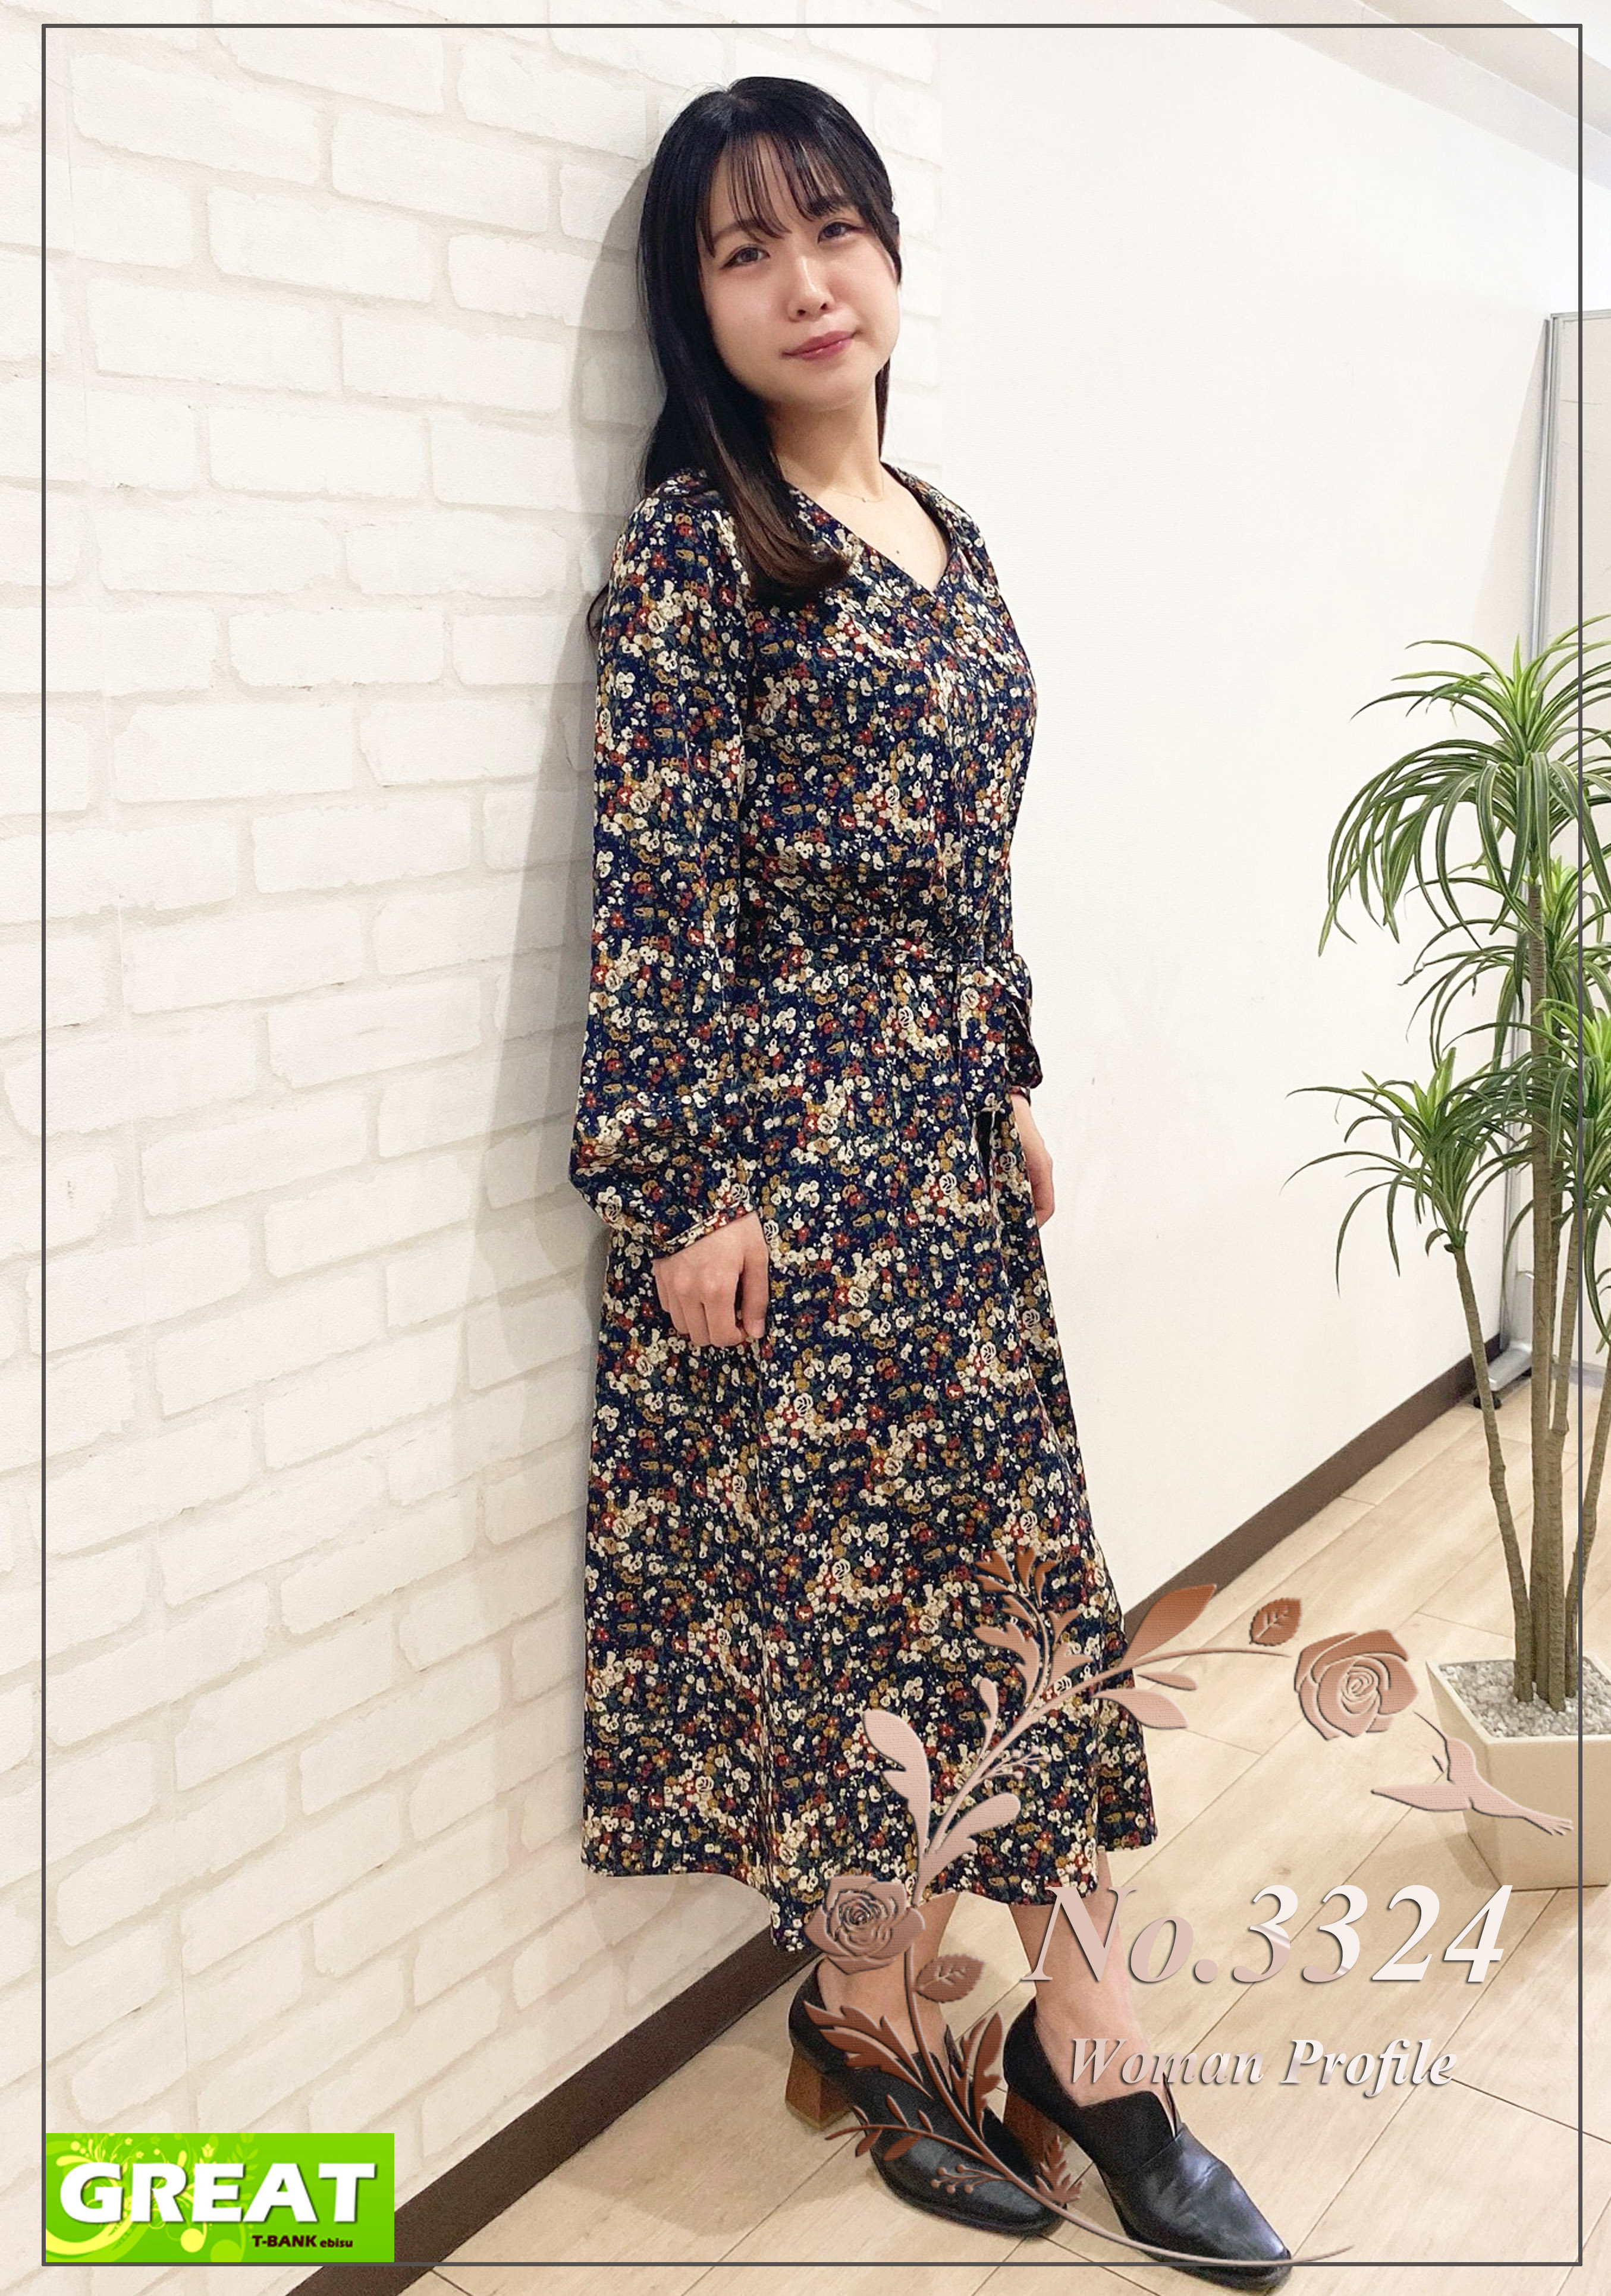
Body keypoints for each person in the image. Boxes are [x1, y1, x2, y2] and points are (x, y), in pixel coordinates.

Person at [568, 74, 1290, 2284]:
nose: (807, 283)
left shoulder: (946, 534)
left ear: (891, 255)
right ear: (698, 304)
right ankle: (871, 2021)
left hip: (947, 1167)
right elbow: (658, 891)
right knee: (844, 1618)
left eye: (836, 231)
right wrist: (685, 1186)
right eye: (747, 250)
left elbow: (970, 865)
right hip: (783, 1182)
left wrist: (1010, 1076)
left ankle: (1089, 2038)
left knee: (1021, 1602)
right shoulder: (697, 549)